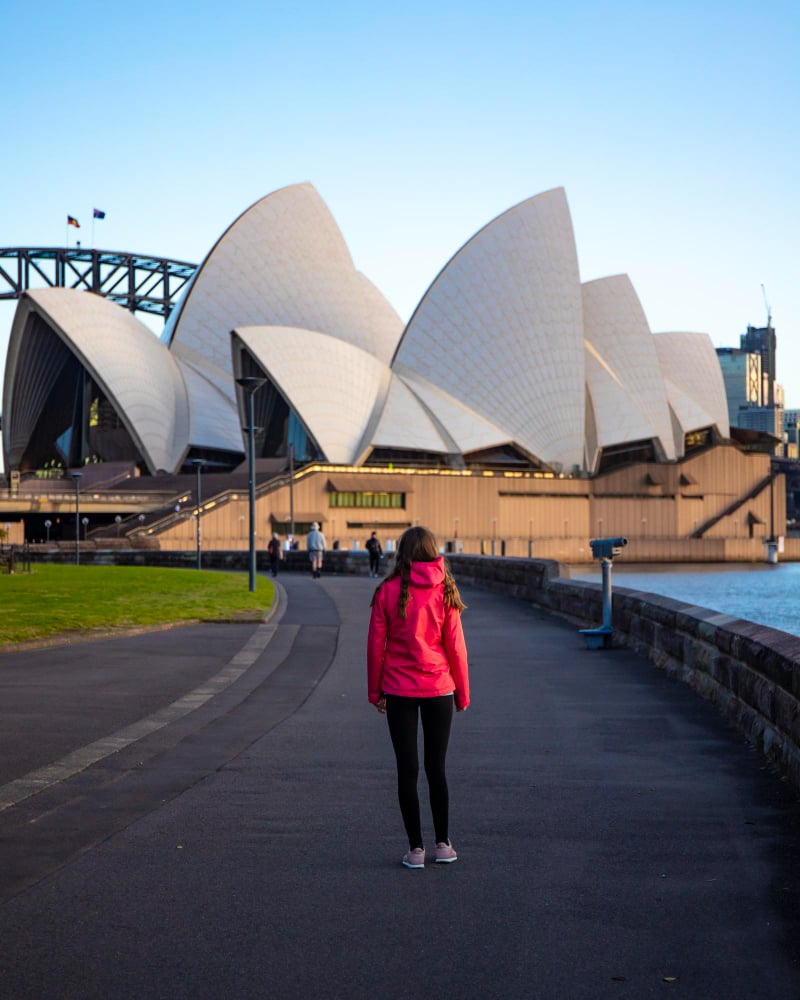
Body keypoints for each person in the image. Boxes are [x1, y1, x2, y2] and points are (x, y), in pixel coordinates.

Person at [367, 525, 469, 869]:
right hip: (439, 687)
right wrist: (463, 693)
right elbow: (456, 647)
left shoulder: (387, 591)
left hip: (398, 689)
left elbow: (374, 647)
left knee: (407, 769)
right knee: (435, 767)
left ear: (402, 553)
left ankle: (416, 850)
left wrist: (375, 690)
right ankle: (443, 844)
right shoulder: (445, 590)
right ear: (432, 549)